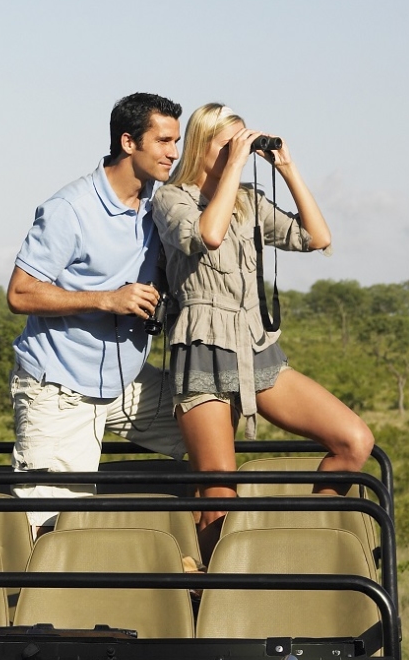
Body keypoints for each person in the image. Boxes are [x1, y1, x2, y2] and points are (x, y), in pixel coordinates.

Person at [151, 103, 375, 556]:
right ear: (202, 146)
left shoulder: (249, 201)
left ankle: (309, 541)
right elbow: (207, 235)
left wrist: (289, 171)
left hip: (256, 348)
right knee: (219, 497)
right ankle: (211, 597)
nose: (241, 152)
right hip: (202, 351)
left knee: (354, 441)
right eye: (228, 144)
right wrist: (234, 164)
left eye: (242, 143)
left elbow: (316, 237)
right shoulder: (171, 199)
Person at [5, 92, 188, 525]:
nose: (173, 153)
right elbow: (20, 293)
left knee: (211, 429)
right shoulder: (70, 208)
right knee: (52, 525)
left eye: (176, 141)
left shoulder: (158, 205)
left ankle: (189, 566)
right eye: (163, 141)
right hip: (60, 388)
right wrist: (107, 299)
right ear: (129, 143)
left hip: (127, 382)